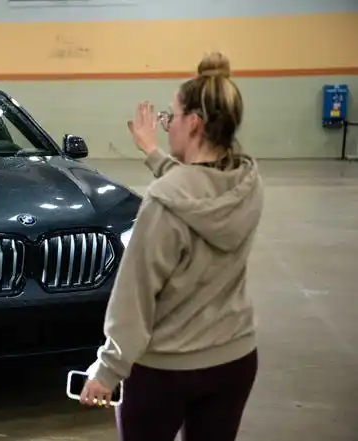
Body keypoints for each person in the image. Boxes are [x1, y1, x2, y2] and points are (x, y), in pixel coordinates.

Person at [79, 52, 264, 441]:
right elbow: (197, 187)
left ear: (193, 123)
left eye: (171, 117)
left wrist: (107, 371)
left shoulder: (163, 202)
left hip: (167, 371)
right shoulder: (247, 181)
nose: (167, 126)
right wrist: (152, 152)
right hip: (235, 358)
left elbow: (135, 297)